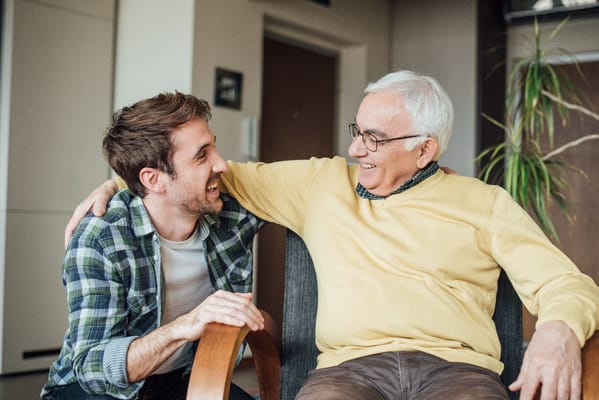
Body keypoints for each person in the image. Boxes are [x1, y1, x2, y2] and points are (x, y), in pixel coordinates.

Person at [66, 71, 599, 400]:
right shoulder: (320, 183)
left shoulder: (483, 203)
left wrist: (557, 330)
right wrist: (121, 180)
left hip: (457, 373)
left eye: (376, 138)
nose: (357, 150)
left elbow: (568, 285)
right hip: (349, 372)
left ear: (425, 150)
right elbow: (189, 177)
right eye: (357, 131)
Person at [43, 92, 265, 400]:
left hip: (182, 379)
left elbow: (309, 194)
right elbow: (91, 366)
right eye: (202, 156)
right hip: (95, 390)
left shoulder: (233, 215)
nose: (222, 165)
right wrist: (186, 325)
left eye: (214, 147)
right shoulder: (102, 237)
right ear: (152, 179)